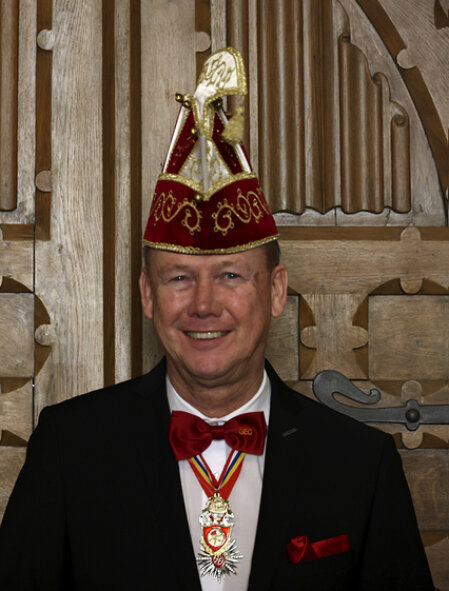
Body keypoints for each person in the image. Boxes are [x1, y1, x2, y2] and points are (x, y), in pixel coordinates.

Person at [0, 48, 433, 591]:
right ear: (148, 294)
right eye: (179, 277)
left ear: (276, 290)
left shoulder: (361, 463)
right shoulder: (71, 448)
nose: (204, 304)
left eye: (230, 275)